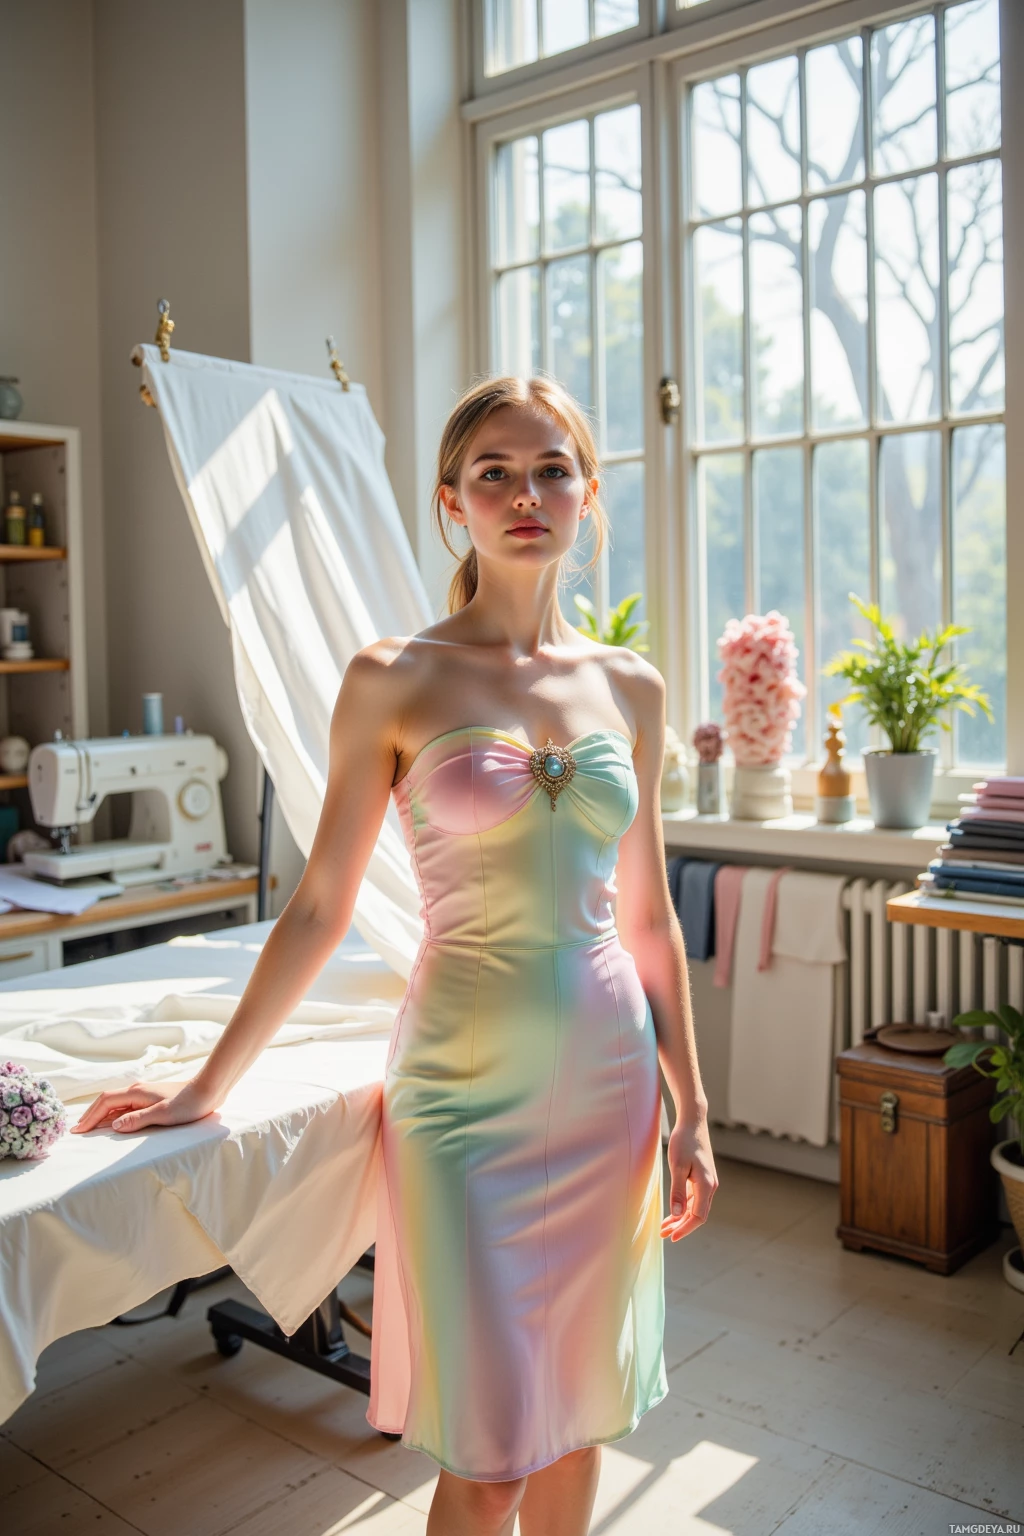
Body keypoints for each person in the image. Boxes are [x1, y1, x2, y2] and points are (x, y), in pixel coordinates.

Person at [74, 374, 717, 1536]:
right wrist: (204, 1085)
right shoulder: (392, 677)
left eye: (551, 469)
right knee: (486, 1449)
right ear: (449, 505)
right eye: (494, 474)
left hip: (608, 1084)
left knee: (581, 1419)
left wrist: (694, 1107)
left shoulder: (629, 684)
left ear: (587, 496)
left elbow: (648, 915)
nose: (526, 494)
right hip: (462, 1098)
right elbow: (319, 903)